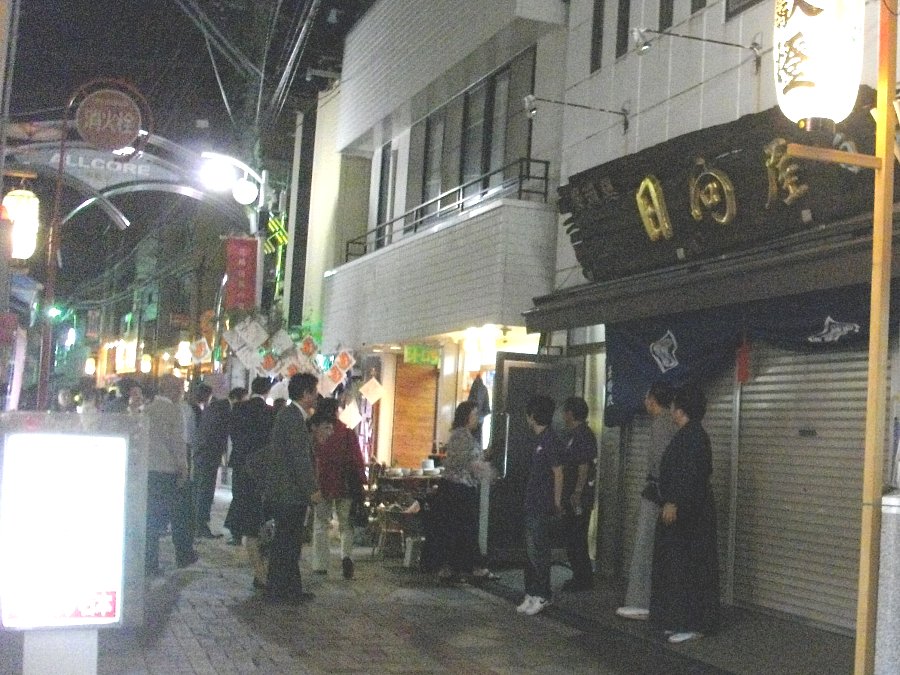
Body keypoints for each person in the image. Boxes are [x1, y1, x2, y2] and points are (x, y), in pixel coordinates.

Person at [650, 384, 720, 644]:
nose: (671, 410)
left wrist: (674, 502)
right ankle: (678, 619)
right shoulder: (688, 434)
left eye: (674, 406)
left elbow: (691, 475)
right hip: (687, 511)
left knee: (691, 567)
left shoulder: (694, 437)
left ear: (681, 410)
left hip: (691, 515)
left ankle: (694, 623)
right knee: (678, 567)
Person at [617, 381, 677, 620]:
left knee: (645, 546)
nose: (644, 402)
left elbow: (661, 465)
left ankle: (641, 601)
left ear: (653, 400)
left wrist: (662, 494)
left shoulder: (662, 425)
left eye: (646, 397)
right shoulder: (667, 422)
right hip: (661, 493)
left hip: (656, 494)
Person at [263, 372, 321, 603]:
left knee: (287, 543)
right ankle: (281, 590)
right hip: (289, 493)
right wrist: (311, 489)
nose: (316, 397)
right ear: (306, 394)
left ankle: (289, 589)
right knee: (287, 543)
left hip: (286, 491)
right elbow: (300, 459)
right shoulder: (293, 418)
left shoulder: (290, 415)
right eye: (314, 392)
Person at [427, 400, 497, 583]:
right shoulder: (463, 437)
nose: (477, 418)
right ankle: (470, 567)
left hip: (453, 488)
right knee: (464, 529)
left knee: (455, 529)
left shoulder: (459, 436)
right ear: (466, 417)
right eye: (474, 414)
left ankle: (453, 568)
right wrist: (490, 472)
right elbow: (471, 463)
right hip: (459, 489)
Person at [225, 376, 276, 588]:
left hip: (240, 469)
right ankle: (262, 572)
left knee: (248, 520)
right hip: (262, 473)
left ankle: (259, 571)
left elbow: (233, 436)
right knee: (262, 520)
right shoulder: (270, 413)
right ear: (267, 391)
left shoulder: (238, 409)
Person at [143, 376, 198, 573]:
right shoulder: (174, 411)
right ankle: (184, 554)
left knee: (151, 519)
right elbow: (177, 443)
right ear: (173, 390)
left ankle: (150, 561)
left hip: (148, 470)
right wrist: (184, 468)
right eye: (181, 389)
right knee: (180, 516)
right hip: (168, 470)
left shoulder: (147, 410)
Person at [310, 397, 366, 580]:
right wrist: (361, 483)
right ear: (336, 411)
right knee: (346, 524)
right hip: (345, 484)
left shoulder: (316, 432)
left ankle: (320, 564)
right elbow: (357, 460)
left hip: (322, 484)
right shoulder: (347, 433)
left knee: (321, 523)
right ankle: (346, 557)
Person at [517, 395, 563, 617]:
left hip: (542, 504)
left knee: (539, 551)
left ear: (533, 416)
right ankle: (531, 592)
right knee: (530, 550)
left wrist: (556, 501)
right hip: (532, 501)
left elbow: (558, 472)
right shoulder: (537, 439)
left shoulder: (549, 440)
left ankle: (542, 594)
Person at [559, 396, 597, 592]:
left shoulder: (583, 435)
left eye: (565, 411)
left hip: (579, 497)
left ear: (571, 414)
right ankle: (579, 576)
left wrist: (577, 491)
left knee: (577, 538)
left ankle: (583, 579)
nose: (563, 415)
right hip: (572, 495)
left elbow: (583, 465)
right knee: (571, 537)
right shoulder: (573, 434)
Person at [193, 383, 228, 538]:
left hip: (202, 455)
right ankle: (201, 524)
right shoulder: (215, 409)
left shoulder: (208, 409)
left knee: (202, 489)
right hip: (207, 456)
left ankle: (199, 524)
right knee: (205, 490)